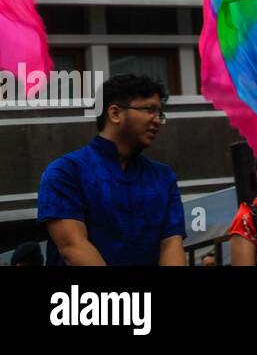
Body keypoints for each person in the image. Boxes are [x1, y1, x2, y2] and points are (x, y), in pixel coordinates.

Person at [37, 73, 185, 266]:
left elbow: (172, 245)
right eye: (149, 110)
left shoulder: (163, 177)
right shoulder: (66, 172)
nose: (157, 120)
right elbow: (73, 248)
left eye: (160, 114)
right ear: (115, 113)